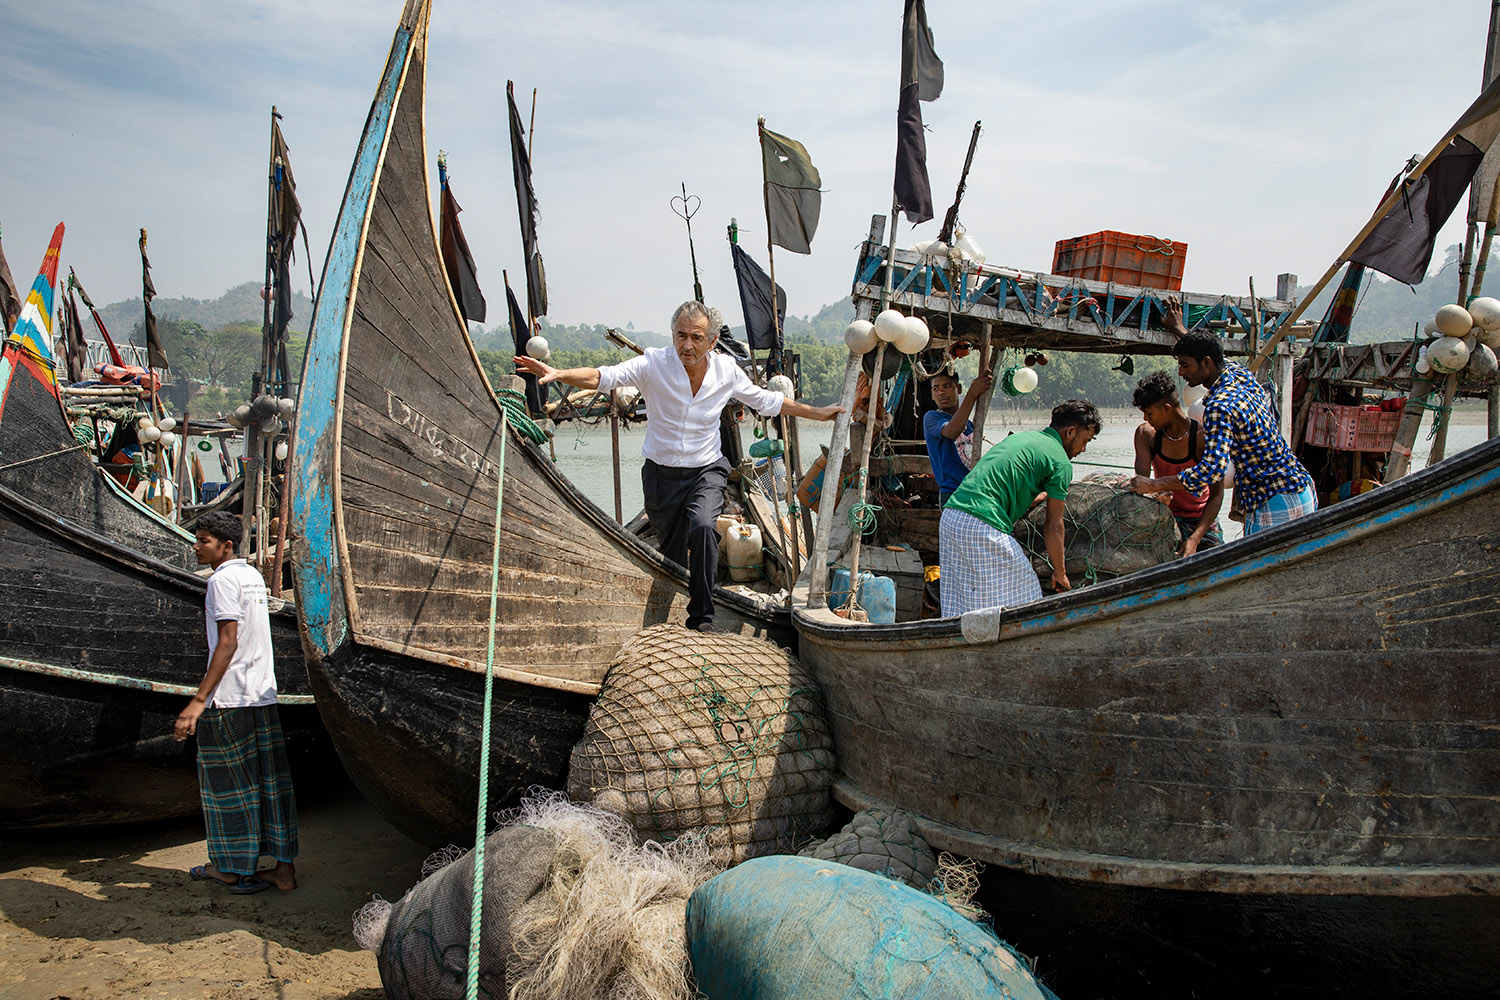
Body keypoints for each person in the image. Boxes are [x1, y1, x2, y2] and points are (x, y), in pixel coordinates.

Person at [516, 301, 842, 632]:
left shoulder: (726, 371)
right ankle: (671, 602)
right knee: (671, 553)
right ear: (673, 335)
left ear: (712, 341)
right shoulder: (654, 364)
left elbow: (767, 401)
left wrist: (819, 413)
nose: (687, 345)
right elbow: (604, 376)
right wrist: (559, 374)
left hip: (706, 470)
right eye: (681, 335)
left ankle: (701, 619)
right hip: (661, 475)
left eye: (696, 337)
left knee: (702, 527)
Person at [175, 510, 297, 894]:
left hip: (229, 699)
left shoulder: (222, 581)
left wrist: (198, 701)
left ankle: (229, 869)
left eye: (204, 541)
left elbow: (227, 642)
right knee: (269, 784)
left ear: (226, 545)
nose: (196, 547)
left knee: (227, 788)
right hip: (261, 694)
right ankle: (283, 870)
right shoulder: (252, 576)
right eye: (197, 539)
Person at [1130, 300, 1315, 534]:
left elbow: (1212, 470)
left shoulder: (1218, 407)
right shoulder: (1238, 375)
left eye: (1185, 365)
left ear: (1206, 363)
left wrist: (1155, 484)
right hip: (1299, 488)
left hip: (1273, 499)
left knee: (1259, 568)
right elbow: (1209, 352)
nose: (1180, 371)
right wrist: (1178, 329)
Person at [939, 399, 1101, 615]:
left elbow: (1004, 483)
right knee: (1025, 592)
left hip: (952, 516)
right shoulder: (1061, 462)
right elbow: (1054, 525)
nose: (1083, 449)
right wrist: (1060, 573)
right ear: (1071, 432)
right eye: (1085, 441)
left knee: (961, 600)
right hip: (981, 524)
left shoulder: (1023, 438)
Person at [1131, 370, 1223, 556]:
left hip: (1201, 521)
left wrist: (1194, 539)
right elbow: (1141, 483)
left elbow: (1216, 495)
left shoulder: (1203, 439)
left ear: (1167, 408)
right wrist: (1156, 495)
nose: (1146, 419)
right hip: (1164, 517)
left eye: (1149, 413)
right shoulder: (1146, 435)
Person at [923, 367, 994, 505]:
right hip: (952, 494)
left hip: (973, 491)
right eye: (936, 389)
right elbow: (952, 431)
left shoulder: (970, 425)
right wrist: (973, 393)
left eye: (946, 386)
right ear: (932, 395)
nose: (941, 392)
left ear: (959, 388)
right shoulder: (932, 418)